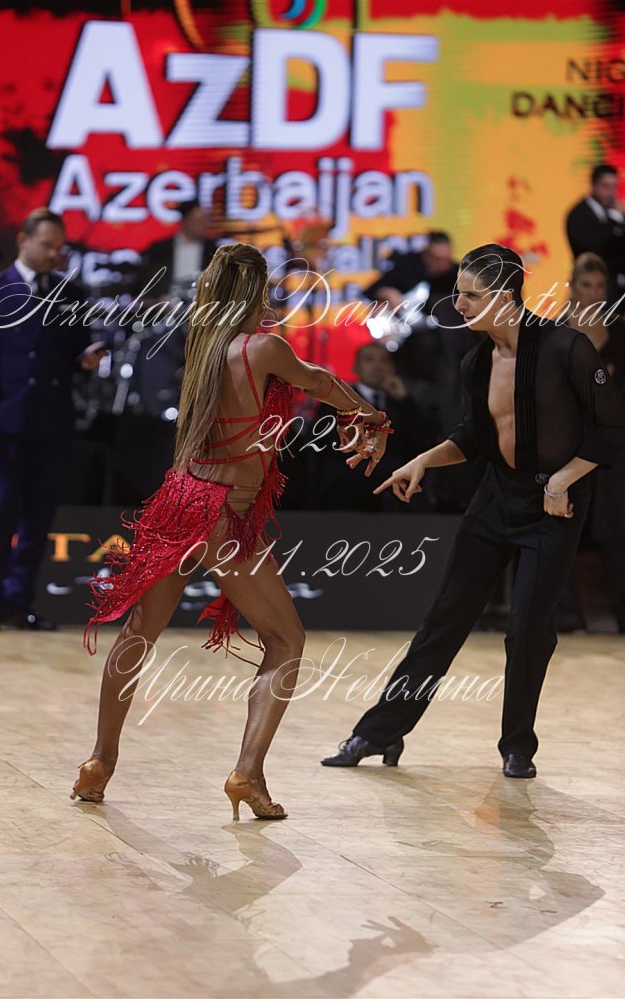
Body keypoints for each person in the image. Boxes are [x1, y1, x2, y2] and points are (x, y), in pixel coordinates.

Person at [71, 242, 392, 819]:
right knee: (286, 641)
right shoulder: (263, 346)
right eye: (266, 287)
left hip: (180, 499)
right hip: (225, 513)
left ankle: (98, 762)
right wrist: (370, 414)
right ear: (255, 290)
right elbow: (319, 380)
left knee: (138, 633)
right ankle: (248, 773)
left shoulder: (204, 344)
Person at [321, 243, 625, 779]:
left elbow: (613, 427)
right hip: (497, 497)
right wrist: (422, 460)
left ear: (505, 298)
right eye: (459, 293)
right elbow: (474, 437)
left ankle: (517, 746)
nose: (458, 305)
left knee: (528, 630)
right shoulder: (476, 361)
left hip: (554, 505)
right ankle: (381, 731)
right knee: (444, 618)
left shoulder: (566, 348)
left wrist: (562, 480)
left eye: (471, 295)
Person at [0, 208, 108, 632]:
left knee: (39, 516)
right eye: (47, 245)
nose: (54, 254)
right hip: (6, 421)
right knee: (0, 513)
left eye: (58, 247)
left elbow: (77, 351)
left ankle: (19, 602)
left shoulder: (70, 292)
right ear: (23, 240)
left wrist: (87, 358)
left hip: (52, 421)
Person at [556, 253, 625, 634]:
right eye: (586, 285)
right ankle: (566, 616)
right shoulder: (556, 332)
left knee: (616, 529)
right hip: (566, 444)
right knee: (562, 525)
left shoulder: (620, 334)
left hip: (610, 446)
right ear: (573, 286)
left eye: (600, 286)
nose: (593, 293)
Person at [306, 342, 435, 512]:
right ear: (356, 367)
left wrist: (404, 399)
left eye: (384, 360)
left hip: (395, 498)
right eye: (369, 360)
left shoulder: (400, 403)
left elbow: (423, 442)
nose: (378, 366)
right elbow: (328, 450)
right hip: (347, 495)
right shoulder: (337, 402)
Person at [565, 164, 625, 327]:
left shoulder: (617, 215)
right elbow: (598, 251)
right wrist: (616, 219)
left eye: (614, 187)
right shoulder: (579, 215)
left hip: (624, 297)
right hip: (594, 296)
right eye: (606, 186)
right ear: (593, 185)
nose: (611, 192)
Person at [137, 198, 217, 300]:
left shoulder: (214, 251)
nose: (203, 225)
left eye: (206, 221)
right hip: (165, 306)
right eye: (198, 221)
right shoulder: (159, 249)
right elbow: (145, 283)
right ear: (185, 220)